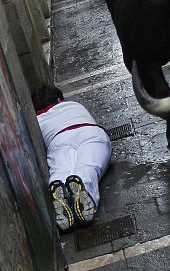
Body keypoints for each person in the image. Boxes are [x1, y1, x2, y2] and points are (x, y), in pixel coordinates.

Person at [32, 85, 111, 233]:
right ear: (59, 99)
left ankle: (59, 188)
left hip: (58, 139)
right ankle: (83, 192)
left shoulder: (37, 120)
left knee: (60, 170)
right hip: (90, 132)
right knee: (89, 167)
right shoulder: (74, 105)